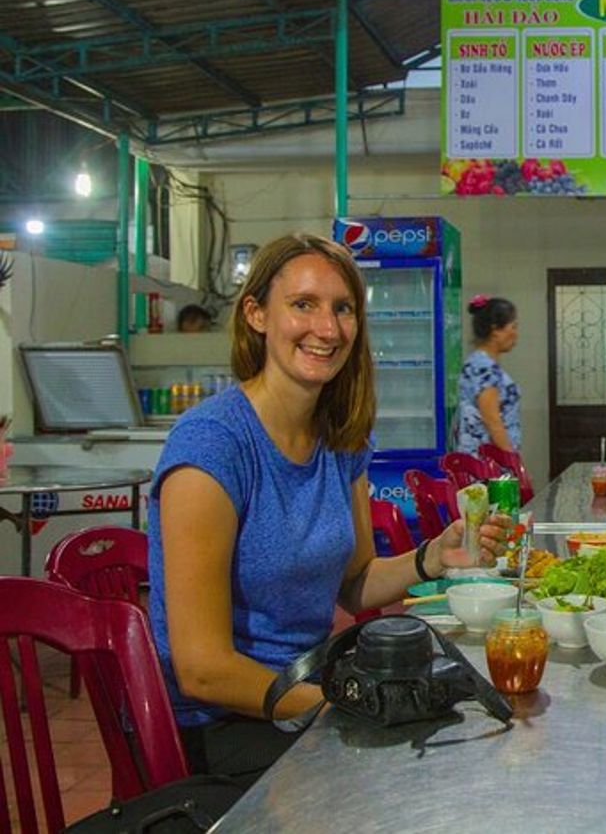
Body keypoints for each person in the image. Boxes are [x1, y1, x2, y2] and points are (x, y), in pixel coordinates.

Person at [147, 233, 506, 787]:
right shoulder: (213, 446)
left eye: (343, 309)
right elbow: (202, 670)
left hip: (310, 691)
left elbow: (355, 582)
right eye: (303, 305)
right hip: (224, 725)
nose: (329, 329)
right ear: (257, 315)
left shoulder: (341, 441)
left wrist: (433, 557)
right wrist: (336, 706)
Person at [456, 295, 521, 454]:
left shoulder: (479, 364)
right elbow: (492, 421)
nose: (516, 334)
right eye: (513, 327)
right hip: (489, 468)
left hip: (486, 464)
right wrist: (515, 465)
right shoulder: (484, 368)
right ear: (495, 331)